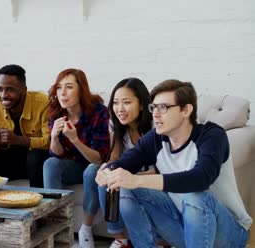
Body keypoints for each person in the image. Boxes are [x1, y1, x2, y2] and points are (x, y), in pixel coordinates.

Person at [96, 79, 252, 248]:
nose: (155, 114)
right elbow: (124, 163)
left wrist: (136, 180)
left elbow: (201, 178)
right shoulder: (157, 138)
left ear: (186, 110)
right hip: (183, 227)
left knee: (194, 195)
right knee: (124, 184)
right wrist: (108, 170)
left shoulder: (211, 135)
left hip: (228, 235)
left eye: (163, 107)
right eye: (153, 107)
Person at [43, 68, 110, 245]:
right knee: (50, 163)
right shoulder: (57, 112)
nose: (62, 93)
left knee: (91, 170)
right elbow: (56, 154)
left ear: (81, 89)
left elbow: (98, 159)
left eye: (69, 87)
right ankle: (57, 223)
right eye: (59, 88)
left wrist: (75, 139)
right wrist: (54, 136)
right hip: (72, 166)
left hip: (93, 165)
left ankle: (86, 228)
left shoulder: (99, 112)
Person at [94, 78, 153, 248]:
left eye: (126, 102)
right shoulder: (116, 124)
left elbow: (160, 170)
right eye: (115, 103)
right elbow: (114, 158)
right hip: (129, 171)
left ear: (142, 104)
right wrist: (109, 171)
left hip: (151, 176)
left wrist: (128, 177)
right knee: (105, 176)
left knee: (115, 177)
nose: (120, 109)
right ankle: (120, 239)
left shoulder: (155, 125)